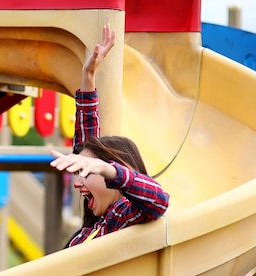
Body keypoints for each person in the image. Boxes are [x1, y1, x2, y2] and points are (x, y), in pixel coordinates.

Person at [49, 23, 170, 247]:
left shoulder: (122, 215)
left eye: (85, 173)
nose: (77, 183)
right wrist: (88, 75)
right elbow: (89, 141)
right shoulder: (98, 222)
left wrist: (108, 171)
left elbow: (160, 201)